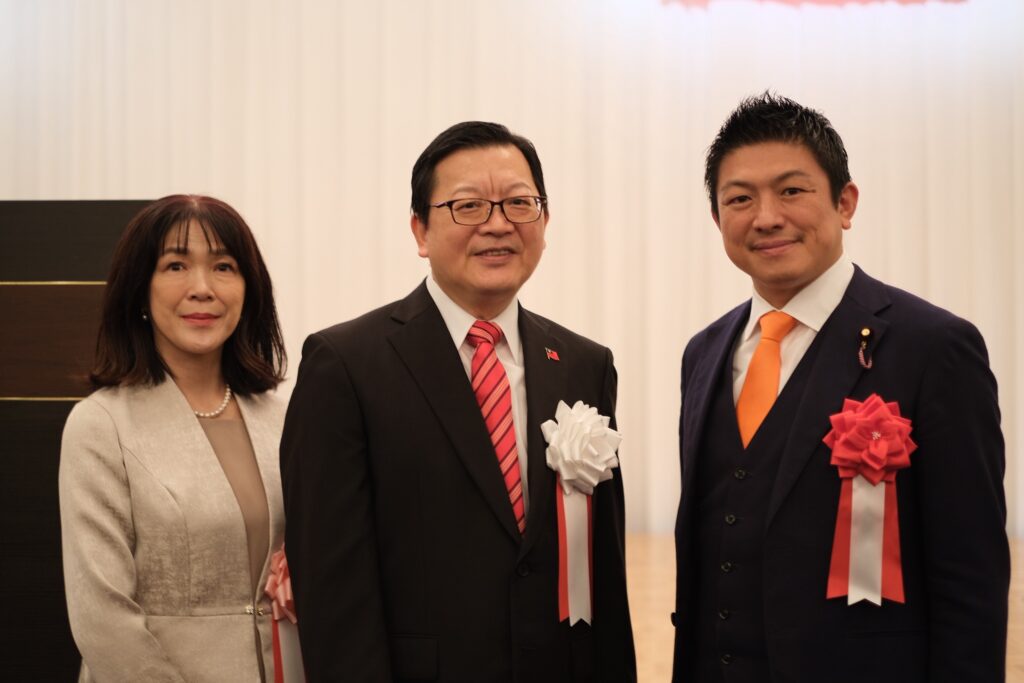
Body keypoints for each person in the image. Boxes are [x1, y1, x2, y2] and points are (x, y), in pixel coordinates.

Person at [280, 121, 636, 682]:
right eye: (468, 206)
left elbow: (603, 572)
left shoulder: (584, 365)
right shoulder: (345, 365)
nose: (498, 224)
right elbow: (332, 588)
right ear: (420, 231)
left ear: (544, 223)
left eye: (519, 203)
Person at [671, 93, 1009, 682]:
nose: (766, 217)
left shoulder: (934, 348)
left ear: (845, 202)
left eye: (791, 191)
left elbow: (970, 577)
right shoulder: (703, 352)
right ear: (717, 219)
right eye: (740, 199)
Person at [59, 194, 290, 682]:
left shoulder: (283, 419)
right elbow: (101, 617)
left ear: (249, 289)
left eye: (224, 267)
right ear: (139, 289)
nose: (202, 288)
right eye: (175, 266)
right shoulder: (100, 425)